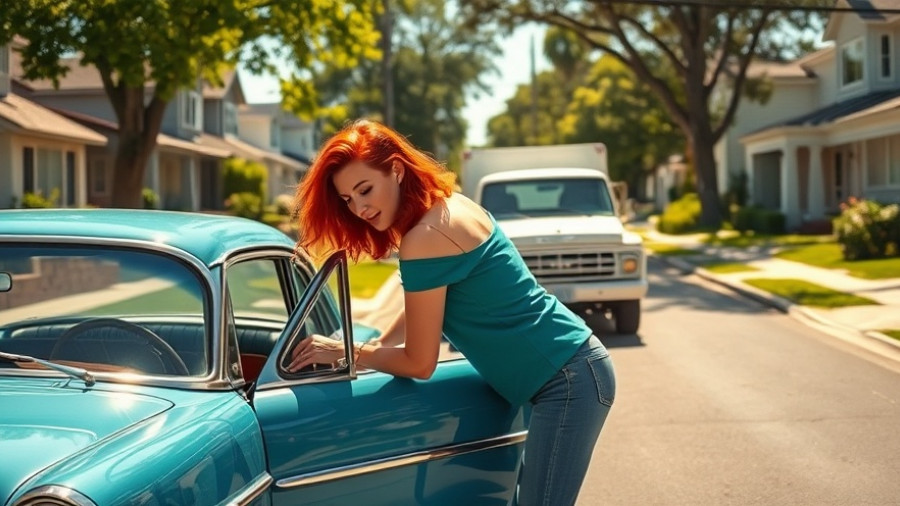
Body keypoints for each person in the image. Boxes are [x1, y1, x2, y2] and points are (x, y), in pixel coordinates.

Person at [289, 119, 615, 506]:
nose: (359, 208)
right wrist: (378, 344)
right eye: (347, 200)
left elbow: (419, 362)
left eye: (365, 190)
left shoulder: (425, 237)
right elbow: (423, 308)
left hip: (566, 380)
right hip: (568, 370)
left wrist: (347, 352)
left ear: (395, 169)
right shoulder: (448, 206)